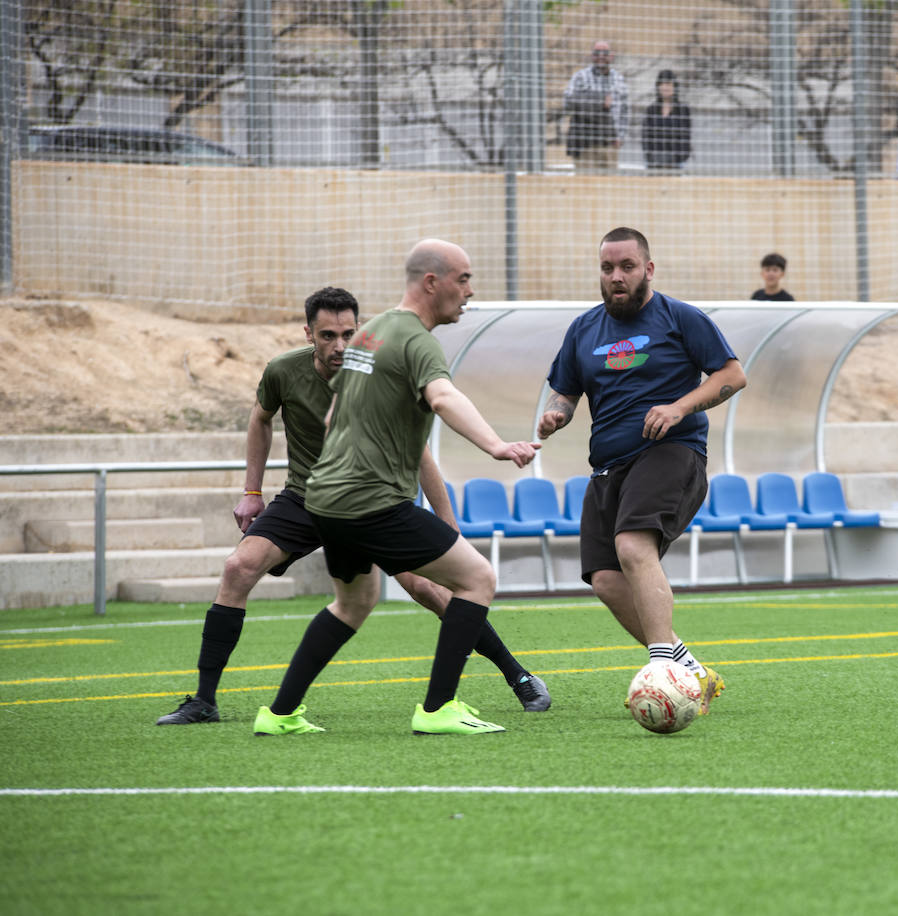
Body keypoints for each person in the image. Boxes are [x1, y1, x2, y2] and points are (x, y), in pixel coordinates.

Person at [156, 287, 550, 727]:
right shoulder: (283, 372)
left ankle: (517, 675)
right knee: (238, 569)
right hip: (306, 498)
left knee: (427, 590)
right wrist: (252, 492)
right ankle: (205, 700)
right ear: (308, 333)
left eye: (347, 333)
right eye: (327, 335)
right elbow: (260, 418)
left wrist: (447, 521)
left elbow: (420, 453)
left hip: (369, 502)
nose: (339, 345)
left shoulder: (373, 370)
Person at [253, 241, 542, 736]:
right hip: (371, 500)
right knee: (477, 579)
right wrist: (496, 445)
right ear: (432, 282)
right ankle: (437, 709)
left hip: (324, 496)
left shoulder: (372, 332)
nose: (470, 291)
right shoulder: (416, 340)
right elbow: (444, 396)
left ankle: (278, 715)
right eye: (464, 278)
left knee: (353, 602)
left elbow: (332, 410)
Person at [538, 227, 747, 714]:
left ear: (648, 269)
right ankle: (690, 669)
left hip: (671, 451)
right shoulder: (584, 329)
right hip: (608, 467)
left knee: (633, 545)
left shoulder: (681, 318)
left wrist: (678, 407)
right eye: (608, 268)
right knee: (607, 579)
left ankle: (663, 671)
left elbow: (733, 375)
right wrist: (557, 414)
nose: (616, 277)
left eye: (627, 267)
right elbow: (564, 391)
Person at [564, 40, 628, 173]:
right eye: (597, 52)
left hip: (609, 143)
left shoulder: (618, 79)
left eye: (605, 52)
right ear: (592, 55)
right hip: (585, 142)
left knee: (610, 188)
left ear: (612, 55)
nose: (601, 56)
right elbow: (568, 102)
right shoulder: (580, 77)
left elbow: (625, 111)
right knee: (584, 187)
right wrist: (599, 102)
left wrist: (621, 137)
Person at [642, 69, 691, 171]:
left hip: (676, 162)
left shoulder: (683, 110)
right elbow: (645, 136)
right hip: (654, 162)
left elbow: (686, 137)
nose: (665, 87)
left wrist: (680, 158)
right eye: (662, 84)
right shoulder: (651, 110)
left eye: (668, 84)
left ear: (674, 87)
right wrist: (650, 157)